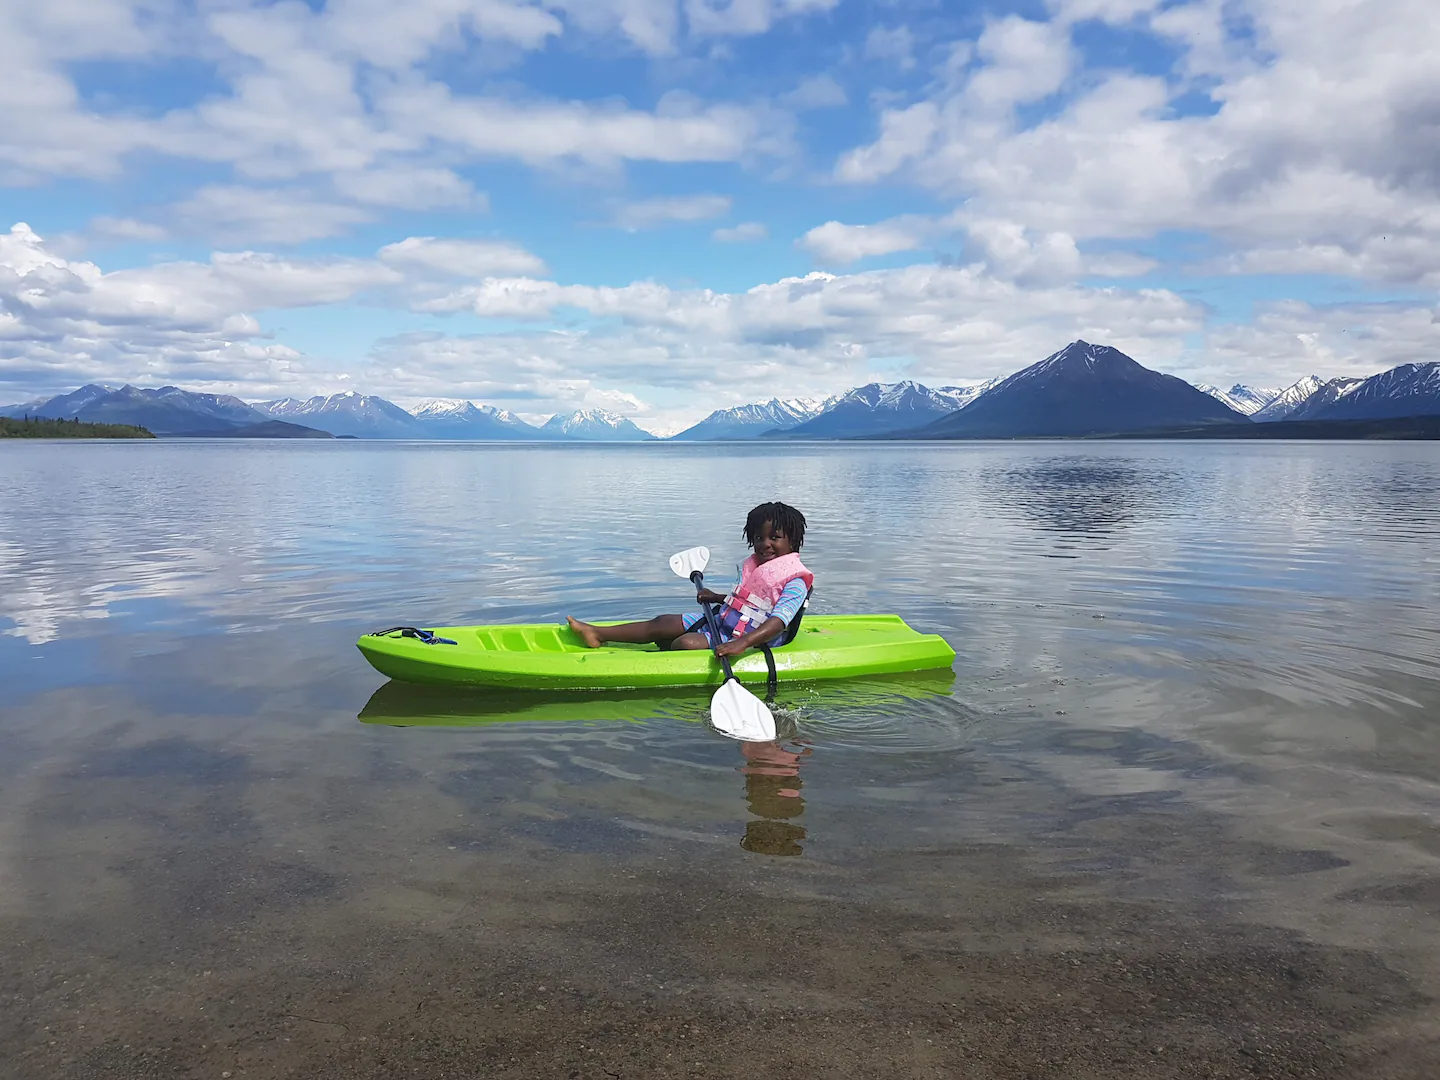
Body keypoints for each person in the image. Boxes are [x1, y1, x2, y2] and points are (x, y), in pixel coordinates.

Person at [566, 501, 812, 658]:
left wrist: (743, 644)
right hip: (722, 622)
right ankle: (597, 633)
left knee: (685, 644)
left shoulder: (795, 582)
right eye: (759, 538)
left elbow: (778, 622)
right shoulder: (757, 566)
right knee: (662, 622)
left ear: (792, 541)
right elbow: (748, 603)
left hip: (749, 639)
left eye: (774, 537)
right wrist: (717, 597)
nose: (765, 544)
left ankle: (662, 652)